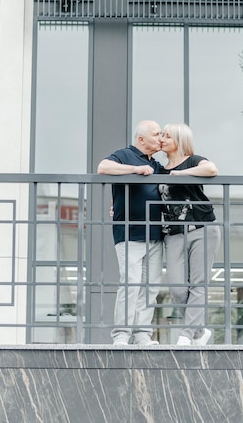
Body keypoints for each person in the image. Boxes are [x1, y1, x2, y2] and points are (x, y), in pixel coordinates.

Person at [97, 119, 164, 346]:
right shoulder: (125, 155)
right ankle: (122, 335)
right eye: (156, 134)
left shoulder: (156, 164)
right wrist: (135, 170)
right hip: (129, 233)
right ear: (141, 139)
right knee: (131, 284)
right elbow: (103, 168)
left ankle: (142, 334)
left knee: (151, 286)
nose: (161, 138)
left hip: (155, 234)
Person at [159, 123, 220, 346]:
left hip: (203, 228)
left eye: (167, 136)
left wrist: (180, 174)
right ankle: (199, 332)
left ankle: (185, 334)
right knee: (177, 289)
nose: (162, 139)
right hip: (174, 233)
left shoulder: (194, 160)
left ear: (179, 139)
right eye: (162, 136)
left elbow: (212, 170)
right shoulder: (159, 169)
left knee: (198, 283)